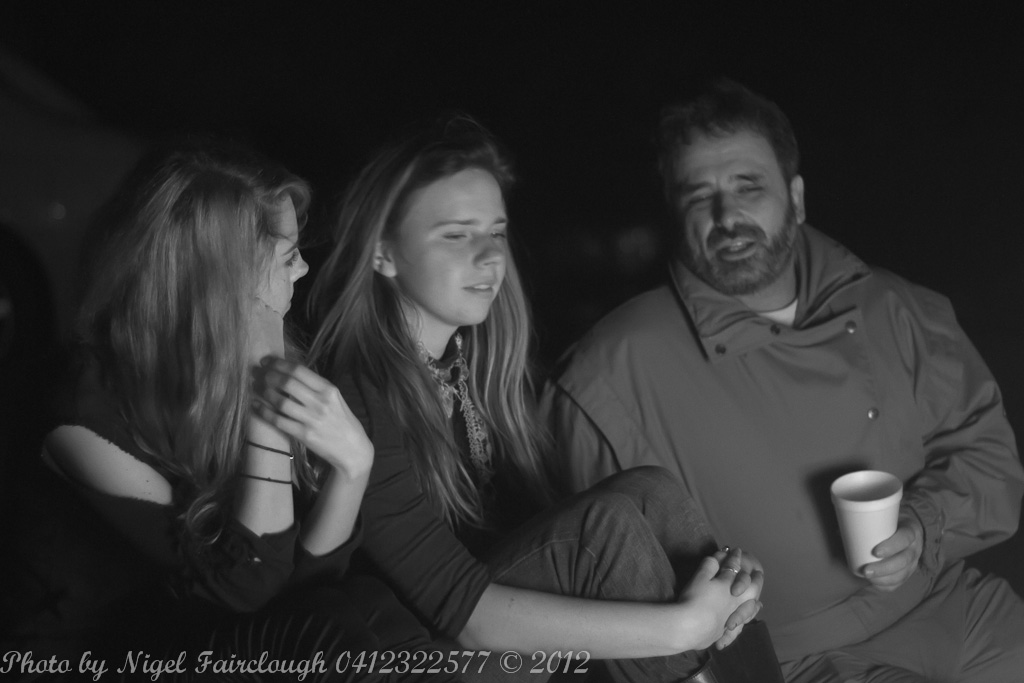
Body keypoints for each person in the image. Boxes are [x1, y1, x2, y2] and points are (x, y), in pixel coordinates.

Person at [542, 80, 1024, 682]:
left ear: (795, 198)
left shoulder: (895, 308)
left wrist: (924, 524)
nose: (727, 217)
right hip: (793, 661)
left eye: (749, 186)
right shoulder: (608, 375)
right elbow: (598, 582)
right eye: (700, 196)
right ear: (674, 213)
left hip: (950, 605)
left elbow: (990, 461)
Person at [305, 115, 767, 682]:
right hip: (407, 658)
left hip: (491, 636)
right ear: (383, 253)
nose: (489, 257)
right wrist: (684, 626)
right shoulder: (360, 394)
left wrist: (723, 587)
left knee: (651, 493)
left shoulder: (474, 365)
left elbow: (534, 542)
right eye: (456, 235)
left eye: (496, 232)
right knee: (603, 531)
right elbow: (465, 614)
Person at [37, 141, 454, 682]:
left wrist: (353, 470)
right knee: (337, 628)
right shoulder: (84, 418)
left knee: (366, 605)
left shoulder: (235, 360)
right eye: (286, 257)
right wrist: (264, 404)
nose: (303, 269)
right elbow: (245, 589)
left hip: (238, 638)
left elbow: (312, 585)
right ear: (223, 283)